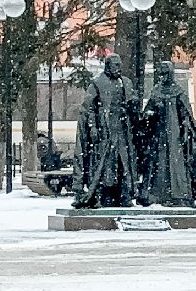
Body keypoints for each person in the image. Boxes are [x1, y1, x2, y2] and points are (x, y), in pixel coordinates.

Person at [72, 54, 139, 209]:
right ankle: (102, 194)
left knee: (123, 163)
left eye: (119, 65)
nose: (118, 68)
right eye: (115, 65)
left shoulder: (125, 82)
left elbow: (131, 103)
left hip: (121, 129)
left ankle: (124, 194)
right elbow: (89, 108)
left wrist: (133, 105)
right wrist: (93, 127)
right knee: (105, 163)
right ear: (108, 66)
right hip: (104, 130)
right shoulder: (97, 83)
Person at [137, 61, 196, 207]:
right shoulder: (156, 91)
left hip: (174, 135)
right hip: (158, 134)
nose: (164, 75)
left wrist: (186, 128)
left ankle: (178, 194)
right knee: (157, 164)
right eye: (162, 72)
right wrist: (150, 114)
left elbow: (186, 114)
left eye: (166, 72)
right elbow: (147, 112)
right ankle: (156, 194)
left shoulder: (178, 91)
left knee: (176, 164)